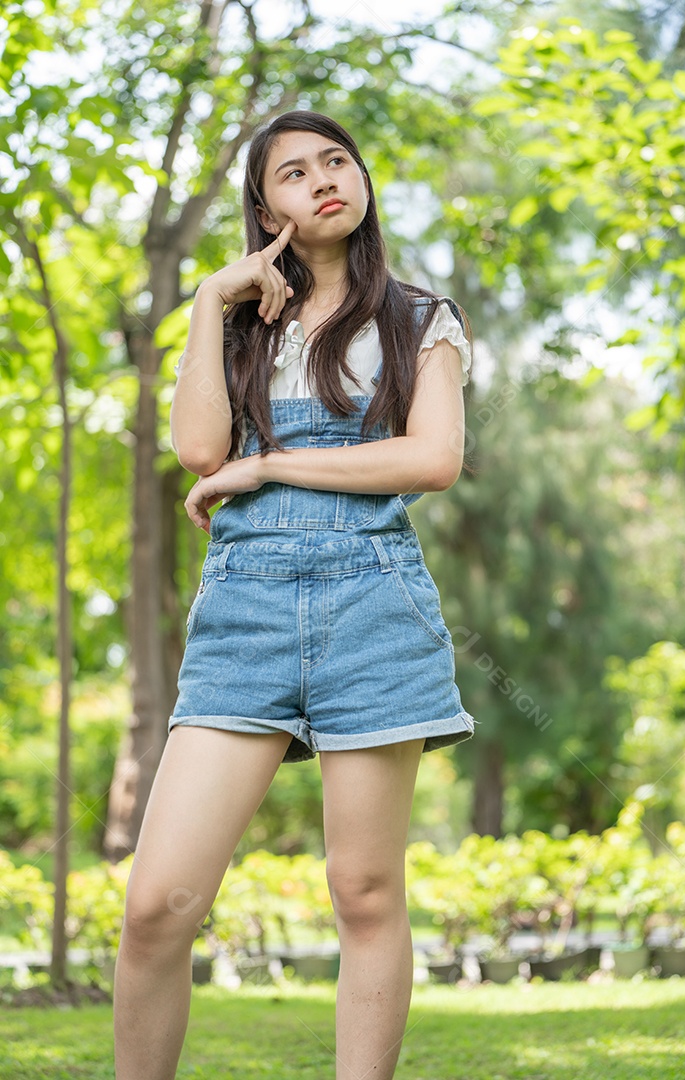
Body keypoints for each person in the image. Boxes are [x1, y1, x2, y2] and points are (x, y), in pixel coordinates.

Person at [113, 110, 476, 1080]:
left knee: (363, 893)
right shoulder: (237, 327)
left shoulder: (418, 318)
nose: (324, 180)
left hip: (373, 604)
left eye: (337, 161)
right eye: (293, 173)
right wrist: (203, 302)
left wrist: (270, 469)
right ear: (263, 205)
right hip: (245, 615)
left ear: (360, 182)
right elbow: (197, 453)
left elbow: (433, 458)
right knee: (157, 907)